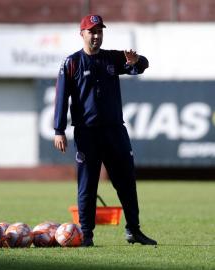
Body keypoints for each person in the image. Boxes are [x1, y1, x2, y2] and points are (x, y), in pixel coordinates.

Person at [53, 14, 157, 247]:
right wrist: (58, 129)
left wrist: (136, 61)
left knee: (126, 182)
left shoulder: (111, 58)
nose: (96, 35)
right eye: (92, 31)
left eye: (100, 31)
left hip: (115, 132)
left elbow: (141, 66)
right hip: (87, 133)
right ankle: (86, 235)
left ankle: (134, 230)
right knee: (88, 185)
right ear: (82, 34)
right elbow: (61, 97)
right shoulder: (71, 62)